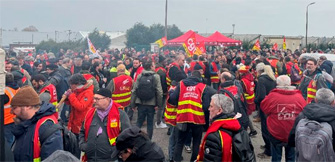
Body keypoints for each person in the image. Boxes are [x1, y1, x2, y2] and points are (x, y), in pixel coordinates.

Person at [169, 71, 216, 162]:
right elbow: (206, 106)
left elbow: (173, 99)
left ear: (190, 76)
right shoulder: (203, 87)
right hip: (197, 119)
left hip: (183, 117)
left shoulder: (181, 84)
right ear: (200, 79)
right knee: (196, 142)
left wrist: (172, 93)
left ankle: (176, 160)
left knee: (180, 141)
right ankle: (194, 160)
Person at [10, 86, 63, 161]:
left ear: (27, 106)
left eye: (14, 108)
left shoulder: (48, 129)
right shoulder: (26, 123)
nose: (11, 112)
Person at [261, 75, 306, 162]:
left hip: (275, 132)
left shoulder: (272, 96)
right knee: (291, 156)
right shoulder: (299, 97)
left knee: (276, 157)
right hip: (292, 132)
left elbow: (264, 108)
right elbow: (304, 112)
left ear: (277, 84)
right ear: (290, 83)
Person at [79, 88, 131, 162]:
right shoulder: (90, 114)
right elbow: (82, 132)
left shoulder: (120, 114)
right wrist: (83, 145)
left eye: (97, 99)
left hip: (111, 159)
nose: (94, 101)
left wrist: (115, 150)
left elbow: (128, 137)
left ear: (107, 99)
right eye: (94, 98)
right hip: (91, 158)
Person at [288, 88, 335, 158]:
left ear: (315, 100)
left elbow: (292, 141)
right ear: (333, 102)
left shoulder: (303, 115)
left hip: (304, 158)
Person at [197, 94, 241, 161]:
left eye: (211, 106)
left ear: (219, 111)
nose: (209, 109)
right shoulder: (238, 127)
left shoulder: (214, 136)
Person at [130, 60, 163, 139]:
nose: (154, 66)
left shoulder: (140, 76)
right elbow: (159, 92)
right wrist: (159, 104)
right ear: (151, 67)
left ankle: (135, 139)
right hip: (151, 103)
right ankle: (148, 141)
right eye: (154, 65)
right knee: (150, 123)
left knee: (139, 122)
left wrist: (133, 104)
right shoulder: (156, 76)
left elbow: (134, 90)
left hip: (141, 102)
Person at [254, 63, 277, 158]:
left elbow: (261, 96)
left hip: (264, 106)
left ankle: (268, 150)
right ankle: (269, 146)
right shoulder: (272, 78)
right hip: (272, 105)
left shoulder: (261, 80)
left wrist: (255, 101)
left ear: (259, 71)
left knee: (265, 128)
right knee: (270, 127)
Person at [3, 73, 20, 146]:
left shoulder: (4, 91)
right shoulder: (18, 89)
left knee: (8, 143)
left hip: (6, 121)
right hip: (15, 119)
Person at [155, 55, 168, 128]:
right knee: (161, 107)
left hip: (157, 90)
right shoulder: (161, 71)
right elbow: (163, 82)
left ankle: (159, 121)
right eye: (165, 61)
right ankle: (159, 122)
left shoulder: (157, 69)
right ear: (162, 62)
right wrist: (165, 91)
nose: (166, 63)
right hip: (161, 91)